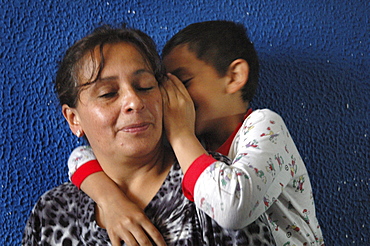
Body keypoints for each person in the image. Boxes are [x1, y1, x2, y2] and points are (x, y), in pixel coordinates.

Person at [66, 20, 325, 246]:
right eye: (164, 86)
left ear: (234, 77)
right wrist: (111, 201)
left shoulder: (265, 126)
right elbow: (81, 156)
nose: (172, 98)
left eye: (183, 82)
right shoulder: (196, 144)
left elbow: (233, 208)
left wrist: (180, 135)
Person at [22, 24, 275, 246]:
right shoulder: (52, 212)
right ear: (73, 119)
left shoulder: (214, 188)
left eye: (145, 86)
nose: (134, 101)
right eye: (108, 93)